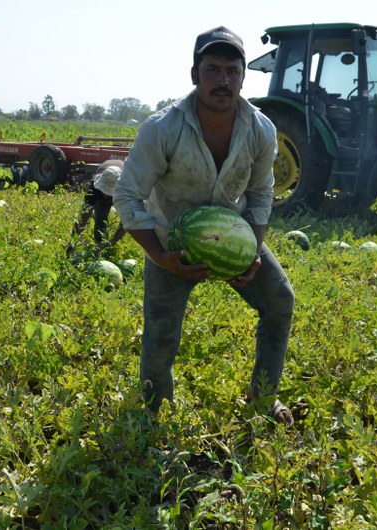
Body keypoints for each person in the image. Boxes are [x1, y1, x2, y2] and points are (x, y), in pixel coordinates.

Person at [113, 26, 295, 426]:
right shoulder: (162, 129)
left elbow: (262, 194)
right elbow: (127, 195)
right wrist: (161, 257)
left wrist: (250, 252)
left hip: (235, 234)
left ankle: (262, 397)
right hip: (171, 241)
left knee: (280, 302)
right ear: (194, 75)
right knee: (160, 336)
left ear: (244, 77)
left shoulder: (260, 130)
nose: (223, 80)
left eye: (232, 70)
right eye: (212, 69)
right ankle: (153, 411)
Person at [65, 160, 126, 256]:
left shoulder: (126, 191)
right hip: (106, 171)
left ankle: (105, 248)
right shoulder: (93, 189)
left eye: (109, 192)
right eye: (104, 190)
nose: (106, 196)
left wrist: (112, 241)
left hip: (121, 183)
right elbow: (83, 217)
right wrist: (73, 241)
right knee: (100, 217)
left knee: (124, 217)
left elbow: (127, 221)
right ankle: (99, 245)